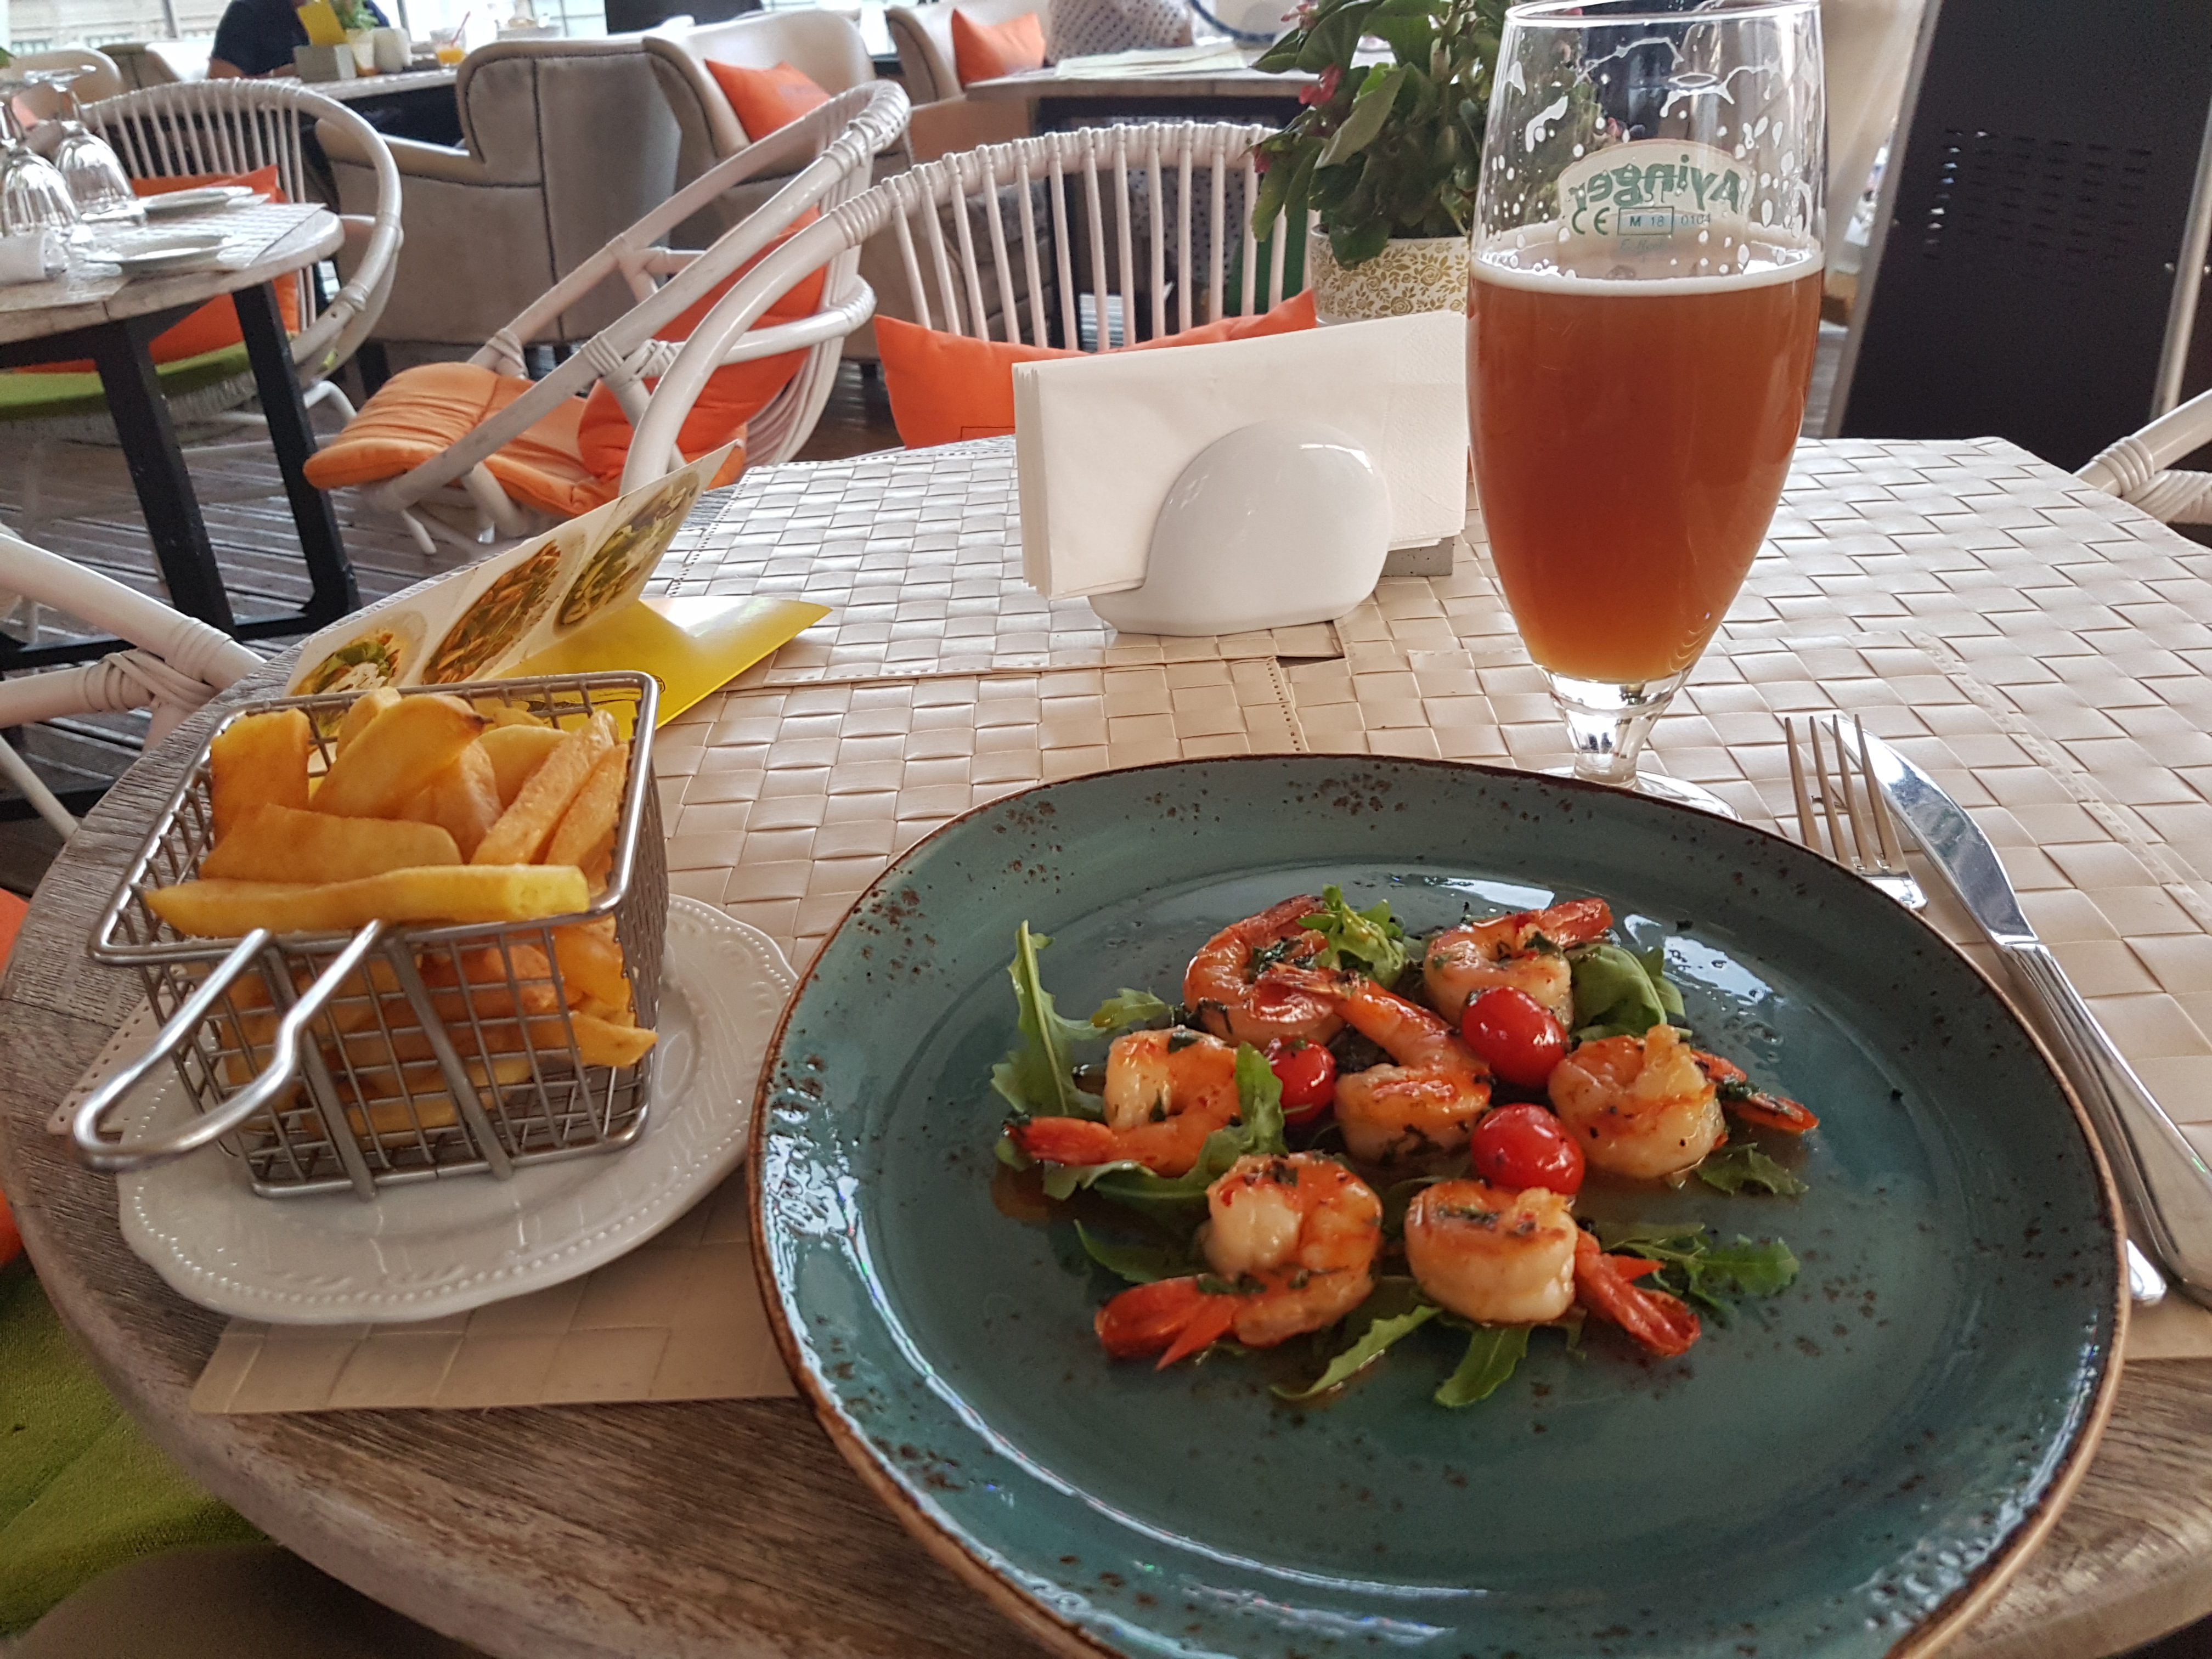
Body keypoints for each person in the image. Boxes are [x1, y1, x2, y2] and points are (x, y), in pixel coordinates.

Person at [210, 0, 391, 77]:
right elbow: (219, 89)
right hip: (296, 126)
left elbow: (390, 53)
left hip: (371, 112)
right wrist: (277, 77)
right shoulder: (249, 12)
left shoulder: (357, 7)